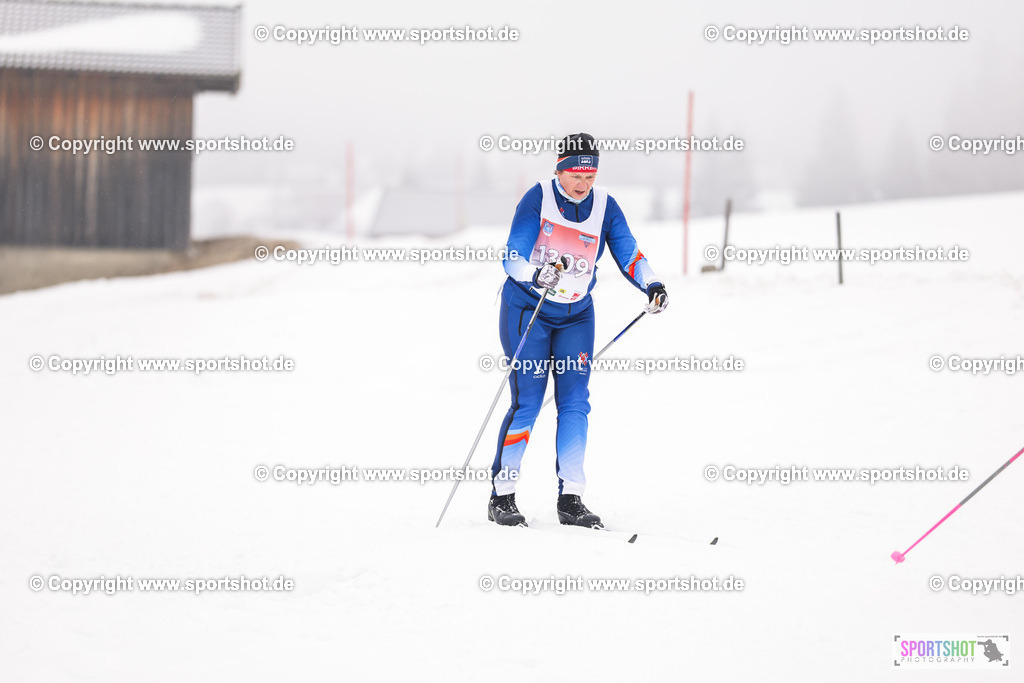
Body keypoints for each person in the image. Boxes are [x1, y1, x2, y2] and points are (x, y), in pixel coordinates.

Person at [488, 132, 668, 528]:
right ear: (560, 170)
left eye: (589, 177)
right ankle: (502, 495)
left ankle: (571, 498)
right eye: (575, 176)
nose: (583, 185)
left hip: (576, 315)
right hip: (528, 309)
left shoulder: (605, 205)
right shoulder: (538, 197)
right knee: (529, 402)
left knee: (575, 403)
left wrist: (652, 282)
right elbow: (512, 256)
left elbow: (628, 251)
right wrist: (536, 274)